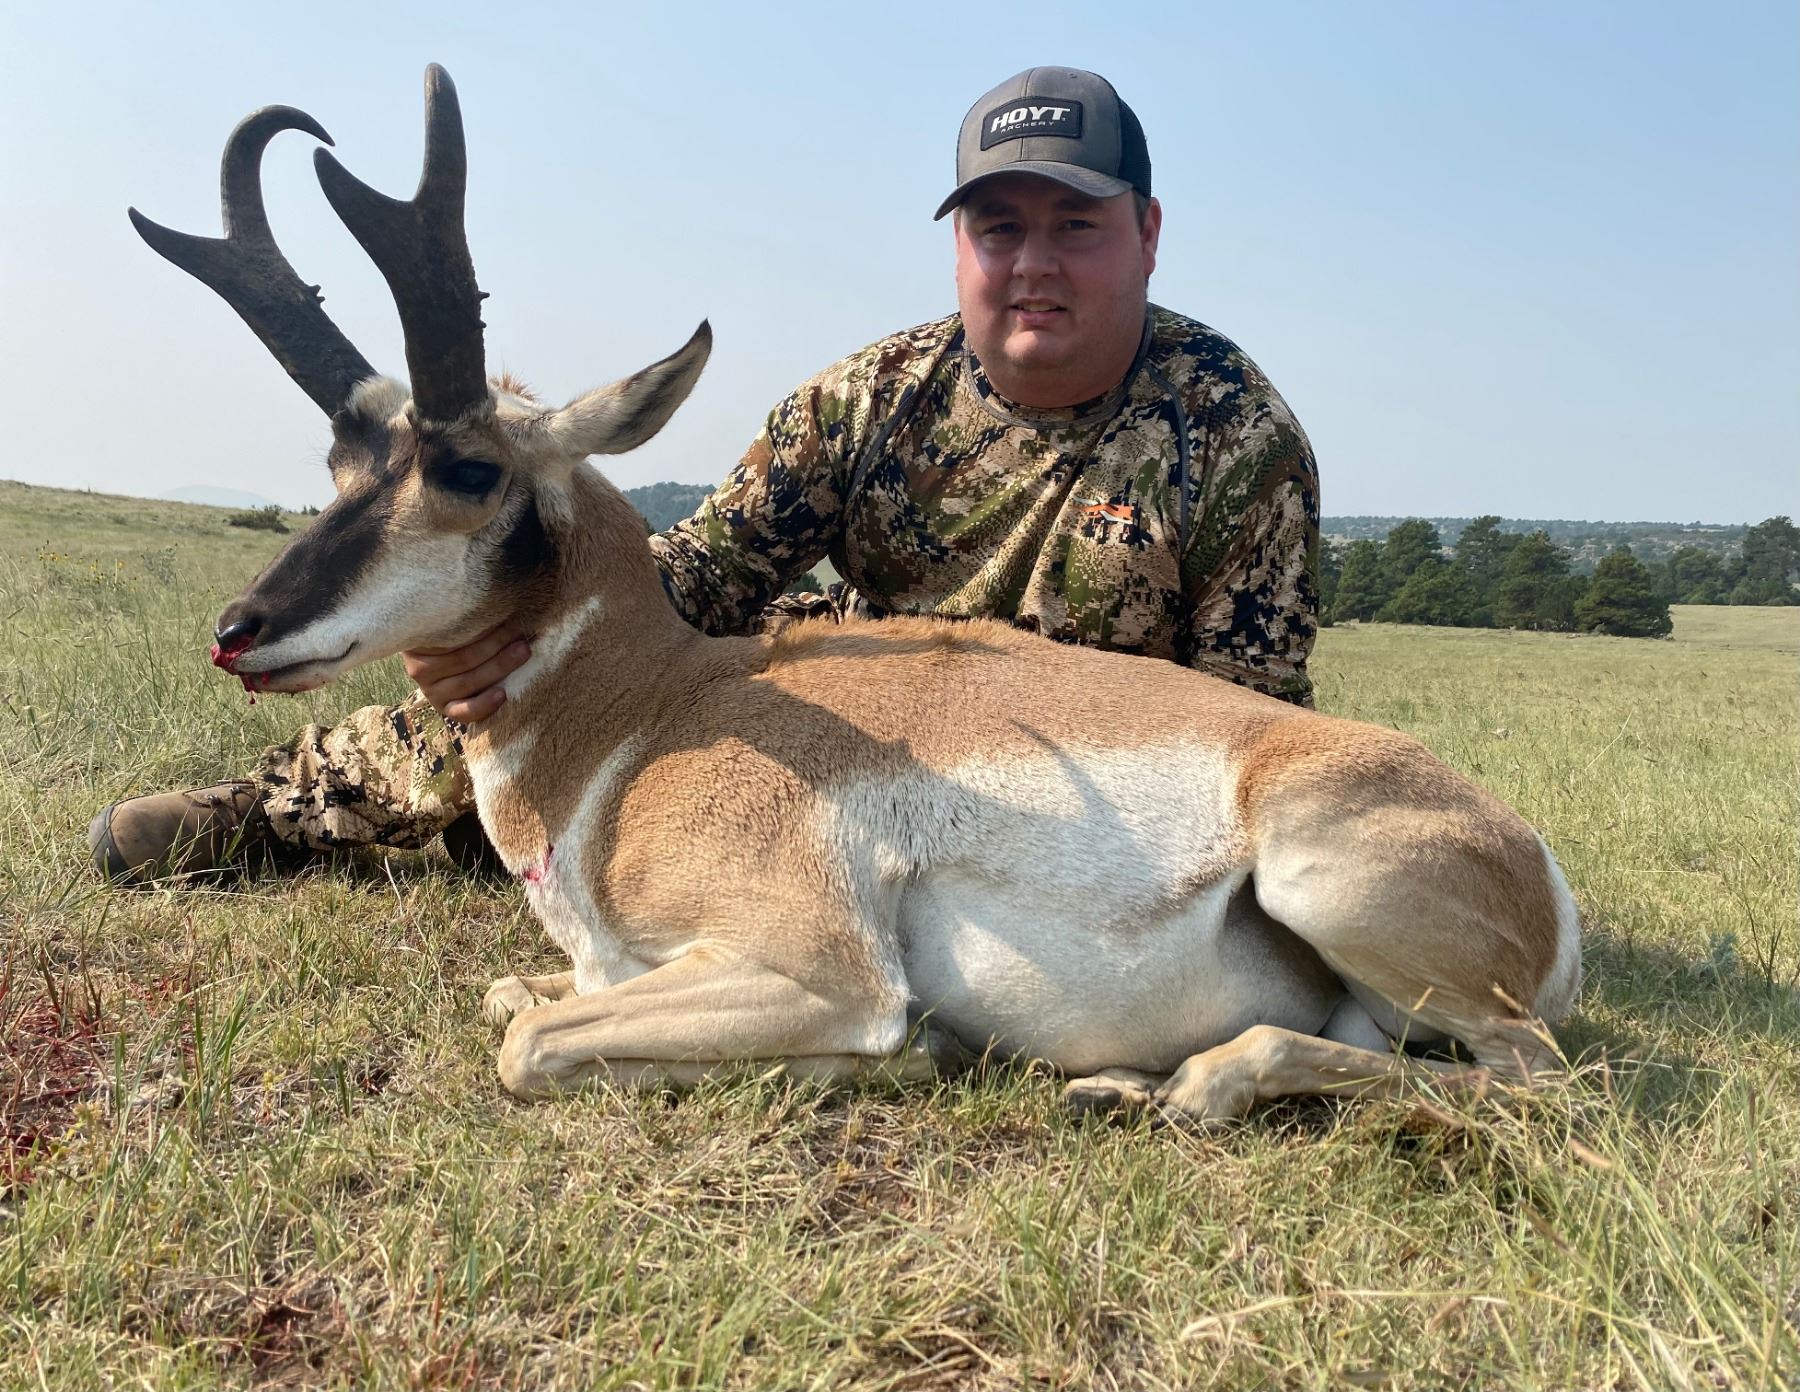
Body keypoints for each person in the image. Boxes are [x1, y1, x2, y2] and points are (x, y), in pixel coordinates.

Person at [91, 66, 1321, 884]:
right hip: (869, 741)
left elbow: (1249, 716)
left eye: (1077, 225)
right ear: (960, 247)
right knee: (566, 670)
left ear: (1147, 234)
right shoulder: (867, 398)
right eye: (1001, 228)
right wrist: (495, 643)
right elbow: (692, 581)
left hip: (1083, 785)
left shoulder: (1237, 437)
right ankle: (277, 811)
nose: (1034, 263)